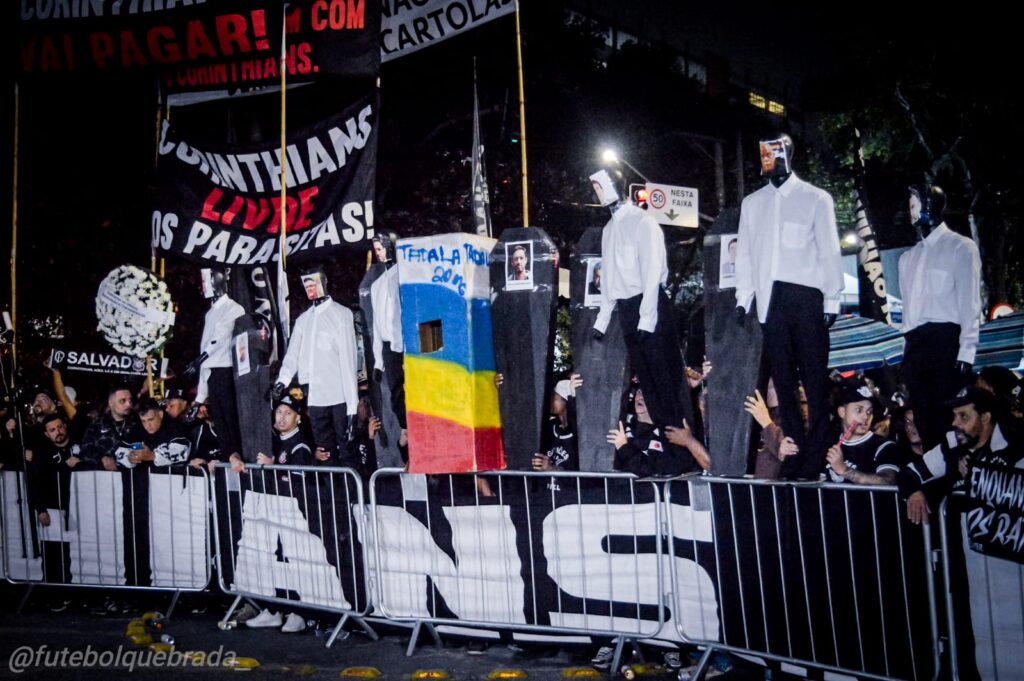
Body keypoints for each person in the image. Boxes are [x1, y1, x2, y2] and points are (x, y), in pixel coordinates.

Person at [734, 133, 844, 480]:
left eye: (772, 151)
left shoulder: (815, 198)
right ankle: (795, 451)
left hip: (807, 294)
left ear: (786, 154)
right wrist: (743, 297)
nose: (766, 157)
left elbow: (829, 249)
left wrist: (832, 297)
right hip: (770, 299)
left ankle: (817, 453)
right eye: (762, 152)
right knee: (783, 382)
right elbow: (747, 253)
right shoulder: (753, 203)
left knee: (814, 380)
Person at [591, 164, 689, 430]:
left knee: (665, 379)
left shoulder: (642, 221)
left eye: (600, 186)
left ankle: (682, 446)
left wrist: (647, 317)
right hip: (626, 309)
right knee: (646, 380)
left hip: (650, 303)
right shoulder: (608, 230)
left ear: (614, 185)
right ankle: (665, 444)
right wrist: (602, 318)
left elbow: (652, 271)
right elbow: (609, 277)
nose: (597, 192)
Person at [898, 185, 981, 450]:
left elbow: (970, 302)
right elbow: (908, 311)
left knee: (949, 418)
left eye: (915, 205)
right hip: (916, 344)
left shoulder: (961, 247)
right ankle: (936, 476)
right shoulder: (907, 258)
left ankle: (955, 476)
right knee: (923, 419)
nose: (911, 212)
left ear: (930, 206)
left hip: (946, 340)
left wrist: (967, 350)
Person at [899, 386, 1023, 525]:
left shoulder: (1014, 448)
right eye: (955, 415)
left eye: (963, 416)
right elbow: (909, 472)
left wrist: (981, 479)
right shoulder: (952, 446)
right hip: (963, 543)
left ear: (985, 418)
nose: (954, 423)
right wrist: (914, 493)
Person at [273, 266, 359, 463]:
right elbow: (292, 354)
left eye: (313, 283)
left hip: (339, 396)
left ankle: (353, 493)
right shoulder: (303, 320)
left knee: (347, 450)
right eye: (306, 285)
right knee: (325, 452)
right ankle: (331, 492)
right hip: (314, 396)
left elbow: (348, 361)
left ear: (323, 283)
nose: (309, 288)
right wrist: (283, 380)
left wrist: (352, 408)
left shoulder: (341, 314)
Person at [187, 268, 245, 459]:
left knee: (230, 419)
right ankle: (228, 456)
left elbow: (222, 335)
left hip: (226, 370)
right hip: (212, 372)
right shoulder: (210, 313)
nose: (203, 288)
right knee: (220, 421)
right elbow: (206, 363)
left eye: (206, 283)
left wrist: (202, 357)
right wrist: (198, 400)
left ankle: (237, 455)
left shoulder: (234, 308)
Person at [29, 414, 84, 585]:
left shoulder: (80, 446)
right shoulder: (43, 453)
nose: (57, 432)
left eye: (59, 427)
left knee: (80, 553)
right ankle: (54, 592)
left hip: (82, 507)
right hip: (54, 509)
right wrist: (41, 509)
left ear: (65, 426)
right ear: (46, 434)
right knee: (53, 553)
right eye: (52, 430)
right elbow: (36, 482)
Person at [607, 388, 706, 476]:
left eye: (646, 394)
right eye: (639, 392)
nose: (641, 397)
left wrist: (624, 447)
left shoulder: (667, 433)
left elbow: (652, 469)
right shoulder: (622, 422)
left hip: (645, 493)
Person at [369, 231, 408, 453]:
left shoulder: (404, 275)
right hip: (388, 346)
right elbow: (376, 326)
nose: (378, 254)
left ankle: (408, 428)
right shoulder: (376, 285)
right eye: (375, 250)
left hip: (406, 343)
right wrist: (377, 362)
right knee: (395, 393)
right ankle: (404, 428)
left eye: (381, 248)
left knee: (410, 390)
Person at [824, 380, 904, 485]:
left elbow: (888, 480)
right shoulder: (827, 443)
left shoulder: (884, 446)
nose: (866, 417)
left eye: (869, 412)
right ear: (842, 412)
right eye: (859, 410)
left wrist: (844, 470)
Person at [80, 385, 145, 471]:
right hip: (104, 477)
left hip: (132, 476)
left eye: (130, 400)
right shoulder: (98, 424)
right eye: (122, 401)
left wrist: (133, 455)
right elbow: (85, 450)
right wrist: (102, 459)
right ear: (111, 403)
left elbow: (143, 444)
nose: (128, 404)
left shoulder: (138, 421)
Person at [745, 385, 800, 479]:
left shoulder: (790, 418)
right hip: (748, 487)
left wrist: (766, 423)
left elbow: (792, 451)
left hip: (771, 487)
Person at [533, 374, 582, 473]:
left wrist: (551, 469)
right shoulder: (551, 426)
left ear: (566, 402)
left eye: (555, 398)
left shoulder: (577, 433)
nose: (550, 402)